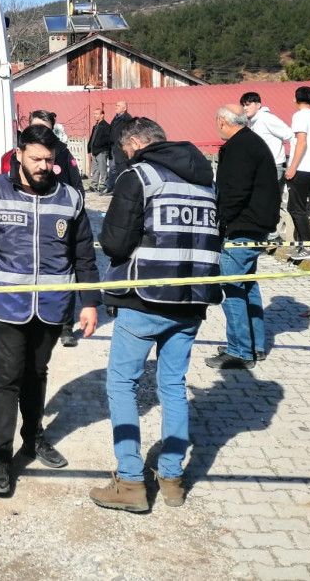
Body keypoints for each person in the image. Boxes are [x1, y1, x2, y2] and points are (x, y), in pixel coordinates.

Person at [0, 124, 101, 497]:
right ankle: (0, 457)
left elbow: (84, 253)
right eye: (36, 158)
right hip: (6, 305)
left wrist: (89, 302)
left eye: (49, 160)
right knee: (7, 377)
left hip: (52, 307)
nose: (42, 166)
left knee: (37, 373)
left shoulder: (69, 198)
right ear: (19, 154)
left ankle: (33, 438)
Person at [89, 118, 221, 513]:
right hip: (192, 301)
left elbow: (113, 239)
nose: (124, 155)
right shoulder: (204, 182)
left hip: (145, 300)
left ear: (134, 143)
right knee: (173, 387)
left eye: (125, 149)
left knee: (122, 385)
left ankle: (130, 481)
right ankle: (172, 478)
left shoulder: (141, 176)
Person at [204, 104, 279, 370]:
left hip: (242, 228)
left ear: (223, 121)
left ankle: (240, 351)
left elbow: (234, 192)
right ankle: (254, 345)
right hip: (256, 225)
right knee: (248, 286)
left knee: (232, 288)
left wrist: (220, 223)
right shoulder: (251, 142)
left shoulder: (239, 147)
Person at [27, 109, 85, 347]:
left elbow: (77, 187)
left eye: (44, 126)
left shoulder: (62, 152)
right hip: (31, 221)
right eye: (34, 126)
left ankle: (65, 325)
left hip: (59, 222)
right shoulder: (20, 152)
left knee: (63, 272)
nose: (39, 131)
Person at [285, 86, 310, 261]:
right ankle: (303, 245)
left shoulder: (300, 116)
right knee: (298, 208)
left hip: (301, 168)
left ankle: (308, 246)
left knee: (296, 208)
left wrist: (292, 167)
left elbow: (302, 142)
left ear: (295, 99)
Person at [240, 91, 293, 183]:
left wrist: (292, 164)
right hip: (261, 167)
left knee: (269, 197)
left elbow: (291, 135)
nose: (245, 108)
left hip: (272, 166)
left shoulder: (267, 118)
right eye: (243, 105)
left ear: (258, 105)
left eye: (248, 105)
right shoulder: (252, 122)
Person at [104, 100, 132, 192]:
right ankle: (110, 187)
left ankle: (121, 188)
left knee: (121, 167)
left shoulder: (127, 118)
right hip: (113, 147)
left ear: (124, 108)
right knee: (112, 168)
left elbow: (129, 133)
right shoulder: (115, 118)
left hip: (121, 147)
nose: (116, 107)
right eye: (116, 105)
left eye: (119, 106)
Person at [87, 107, 111, 192]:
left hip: (101, 151)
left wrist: (99, 146)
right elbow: (92, 138)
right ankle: (94, 186)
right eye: (94, 114)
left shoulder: (106, 126)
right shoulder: (96, 126)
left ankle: (103, 186)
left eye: (97, 114)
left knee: (102, 169)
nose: (95, 116)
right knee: (95, 169)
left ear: (102, 115)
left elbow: (107, 140)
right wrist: (89, 148)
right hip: (94, 151)